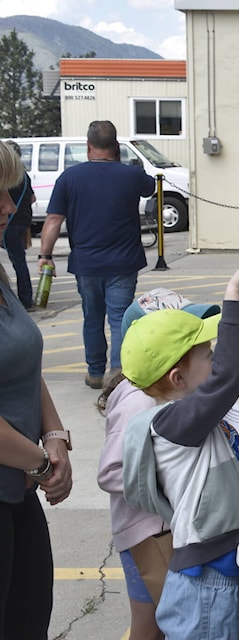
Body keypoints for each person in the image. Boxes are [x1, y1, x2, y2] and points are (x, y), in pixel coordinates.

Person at [120, 232, 239, 640]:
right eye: (207, 354)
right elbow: (232, 374)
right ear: (178, 378)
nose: (216, 358)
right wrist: (237, 289)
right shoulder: (175, 424)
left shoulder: (184, 420)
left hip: (217, 577)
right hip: (207, 587)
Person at [96, 289, 220, 640]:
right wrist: (168, 479)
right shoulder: (138, 403)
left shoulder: (167, 392)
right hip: (146, 535)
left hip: (165, 528)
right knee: (151, 627)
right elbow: (110, 471)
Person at [0, 139, 73, 639]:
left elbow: (23, 363)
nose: (9, 207)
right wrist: (41, 463)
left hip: (18, 489)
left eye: (9, 192)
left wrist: (55, 436)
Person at [38, 120, 156, 390]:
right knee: (119, 318)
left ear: (88, 146)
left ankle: (94, 372)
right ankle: (116, 375)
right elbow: (150, 186)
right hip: (123, 263)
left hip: (86, 264)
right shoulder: (131, 175)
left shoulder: (69, 178)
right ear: (116, 147)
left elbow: (54, 219)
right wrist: (123, 162)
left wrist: (45, 255)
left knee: (92, 317)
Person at [2, 141, 36, 310]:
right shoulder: (25, 176)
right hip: (22, 221)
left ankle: (25, 299)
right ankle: (26, 298)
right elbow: (33, 198)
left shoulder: (10, 177)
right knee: (19, 261)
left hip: (11, 224)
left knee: (18, 262)